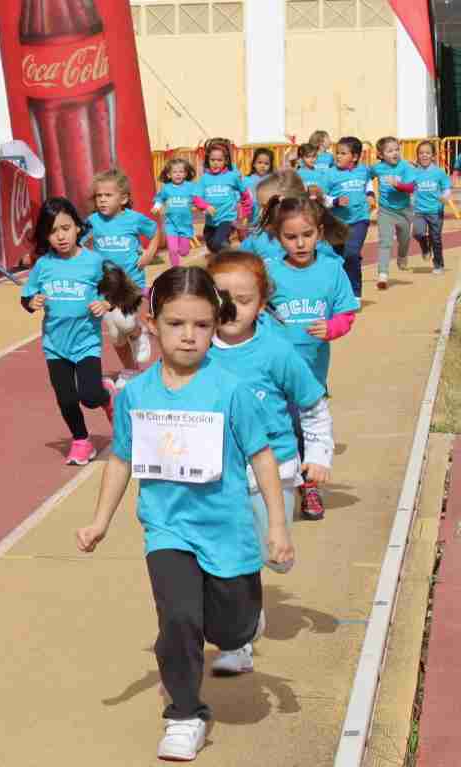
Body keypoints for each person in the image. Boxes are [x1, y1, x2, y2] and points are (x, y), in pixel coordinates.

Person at [75, 265, 293, 762]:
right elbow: (122, 458)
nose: (189, 336)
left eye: (201, 325)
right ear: (152, 322)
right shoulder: (137, 393)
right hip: (168, 528)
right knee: (178, 619)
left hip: (229, 531)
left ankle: (244, 628)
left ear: (216, 325)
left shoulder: (230, 390)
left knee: (231, 629)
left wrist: (276, 527)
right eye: (176, 324)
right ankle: (184, 714)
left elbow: (262, 456)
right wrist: (100, 521)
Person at [206, 251, 334, 673]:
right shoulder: (197, 350)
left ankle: (273, 557)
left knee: (273, 559)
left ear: (261, 304)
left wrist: (318, 456)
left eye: (243, 299)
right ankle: (238, 641)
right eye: (220, 296)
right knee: (231, 560)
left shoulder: (276, 351)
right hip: (220, 476)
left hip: (275, 473)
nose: (231, 307)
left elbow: (313, 405)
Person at [263, 195, 359, 520]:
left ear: (319, 231)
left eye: (307, 235)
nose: (300, 243)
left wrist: (332, 327)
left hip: (313, 373)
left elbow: (347, 313)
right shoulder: (269, 272)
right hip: (273, 372)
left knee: (305, 430)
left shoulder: (332, 270)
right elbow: (250, 306)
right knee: (280, 428)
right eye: (291, 237)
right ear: (278, 237)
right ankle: (275, 487)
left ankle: (309, 486)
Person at [21, 197, 132, 465]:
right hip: (55, 345)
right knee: (66, 398)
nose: (60, 236)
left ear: (78, 228)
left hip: (86, 344)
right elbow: (27, 296)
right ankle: (81, 441)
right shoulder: (43, 266)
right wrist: (31, 303)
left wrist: (105, 303)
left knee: (89, 396)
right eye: (52, 231)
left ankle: (106, 395)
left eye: (66, 228)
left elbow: (120, 290)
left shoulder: (94, 262)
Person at [85, 169, 161, 388]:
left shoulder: (134, 219)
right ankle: (131, 371)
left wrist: (149, 253)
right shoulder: (93, 221)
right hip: (104, 285)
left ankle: (138, 331)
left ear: (124, 199)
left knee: (125, 322)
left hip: (131, 282)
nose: (102, 200)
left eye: (108, 195)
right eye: (99, 196)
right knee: (116, 335)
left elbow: (155, 231)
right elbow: (78, 240)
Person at [321, 136, 372, 298]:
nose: (338, 156)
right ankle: (338, 291)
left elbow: (368, 181)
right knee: (337, 259)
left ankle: (355, 293)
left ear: (355, 157)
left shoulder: (363, 170)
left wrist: (370, 194)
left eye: (343, 153)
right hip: (337, 223)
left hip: (359, 219)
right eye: (337, 153)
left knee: (351, 253)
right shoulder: (330, 174)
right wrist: (335, 202)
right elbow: (322, 198)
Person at [370, 136, 417, 290]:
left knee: (404, 239)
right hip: (385, 210)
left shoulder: (405, 167)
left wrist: (397, 184)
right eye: (390, 151)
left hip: (404, 210)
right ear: (381, 154)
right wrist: (368, 194)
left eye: (397, 149)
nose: (395, 153)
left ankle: (402, 256)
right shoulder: (378, 168)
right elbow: (365, 176)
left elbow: (411, 188)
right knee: (385, 241)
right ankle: (382, 275)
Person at [193, 140, 251, 255]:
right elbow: (196, 197)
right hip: (210, 221)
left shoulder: (232, 176)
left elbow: (245, 195)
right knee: (212, 245)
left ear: (225, 161)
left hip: (227, 219)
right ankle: (227, 254)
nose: (215, 163)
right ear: (207, 160)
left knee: (217, 243)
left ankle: (229, 259)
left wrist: (244, 212)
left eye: (219, 160)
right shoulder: (204, 178)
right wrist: (205, 206)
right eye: (212, 160)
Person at [410, 140, 451, 275]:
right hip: (419, 211)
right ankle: (425, 247)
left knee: (436, 238)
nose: (424, 156)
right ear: (417, 156)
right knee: (417, 233)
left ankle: (438, 264)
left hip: (435, 211)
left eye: (427, 153)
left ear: (433, 156)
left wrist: (445, 196)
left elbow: (446, 187)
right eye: (421, 153)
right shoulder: (414, 173)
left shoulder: (439, 172)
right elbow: (409, 188)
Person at [152, 158, 199, 267]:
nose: (178, 175)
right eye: (175, 172)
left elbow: (198, 198)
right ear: (169, 175)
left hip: (185, 225)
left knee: (184, 252)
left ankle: (183, 248)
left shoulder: (190, 186)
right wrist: (157, 206)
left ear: (186, 173)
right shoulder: (166, 188)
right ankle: (175, 269)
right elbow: (160, 198)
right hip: (170, 225)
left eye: (181, 172)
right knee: (172, 250)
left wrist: (203, 207)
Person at [241, 148, 274, 229]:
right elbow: (240, 196)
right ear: (254, 164)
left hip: (268, 216)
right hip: (251, 216)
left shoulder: (272, 180)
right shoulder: (246, 180)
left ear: (270, 166)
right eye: (259, 162)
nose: (262, 166)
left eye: (266, 163)